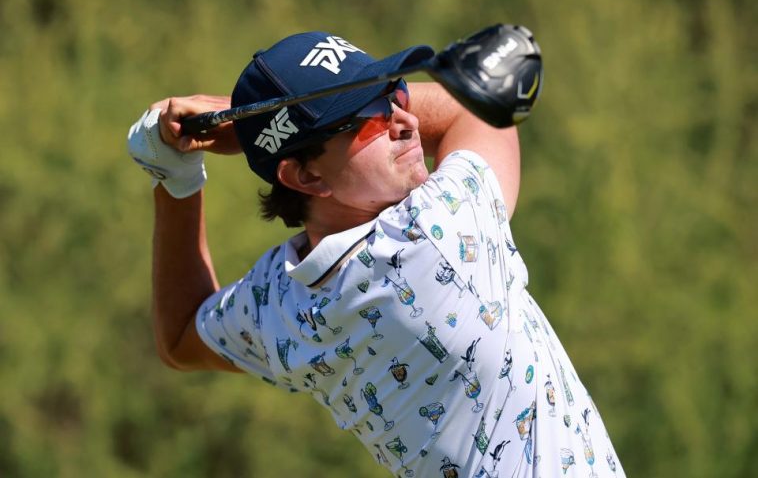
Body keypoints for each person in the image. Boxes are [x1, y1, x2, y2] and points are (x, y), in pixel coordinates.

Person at [128, 30, 625, 477]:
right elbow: (475, 107)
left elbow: (178, 336)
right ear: (304, 175)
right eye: (370, 117)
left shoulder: (279, 306)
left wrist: (176, 178)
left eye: (395, 92)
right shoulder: (435, 233)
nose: (405, 119)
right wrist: (246, 125)